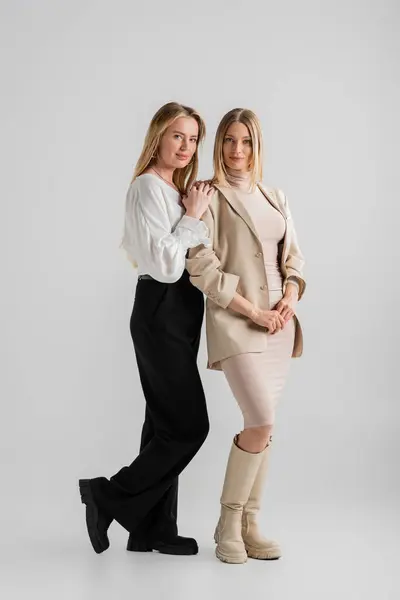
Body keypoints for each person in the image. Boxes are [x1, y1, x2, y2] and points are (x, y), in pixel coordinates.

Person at [79, 102, 215, 556]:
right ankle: (107, 494)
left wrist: (191, 211)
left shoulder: (174, 191)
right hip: (161, 307)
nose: (186, 146)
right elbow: (164, 265)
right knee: (189, 426)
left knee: (162, 424)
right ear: (158, 135)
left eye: (193, 138)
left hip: (181, 309)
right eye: (178, 135)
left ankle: (153, 529)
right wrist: (193, 216)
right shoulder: (147, 188)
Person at [186, 108, 306, 564]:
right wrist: (253, 309)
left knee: (264, 424)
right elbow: (200, 265)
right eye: (230, 140)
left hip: (279, 322)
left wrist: (289, 298)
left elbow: (293, 258)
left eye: (247, 142)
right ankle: (227, 522)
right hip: (237, 319)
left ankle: (250, 524)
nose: (238, 150)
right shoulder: (206, 195)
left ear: (257, 146)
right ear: (219, 144)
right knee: (261, 419)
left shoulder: (275, 196)